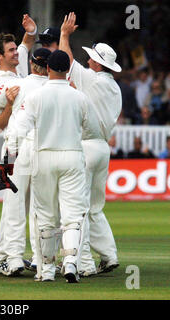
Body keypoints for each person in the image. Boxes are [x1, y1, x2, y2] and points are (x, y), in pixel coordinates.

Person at [10, 50, 91, 283]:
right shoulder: (79, 97)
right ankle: (70, 263)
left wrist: (7, 159)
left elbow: (18, 130)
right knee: (73, 215)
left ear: (47, 69)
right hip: (72, 156)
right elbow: (89, 127)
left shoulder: (36, 96)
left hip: (43, 156)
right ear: (67, 70)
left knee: (45, 215)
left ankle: (46, 270)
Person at [60, 12, 121, 276]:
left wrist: (64, 36)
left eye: (91, 59)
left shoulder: (92, 79)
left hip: (85, 147)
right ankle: (109, 255)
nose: (88, 61)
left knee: (80, 208)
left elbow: (66, 62)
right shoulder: (114, 87)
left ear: (97, 64)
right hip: (103, 148)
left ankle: (83, 264)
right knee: (95, 208)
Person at [0, 14, 37, 276]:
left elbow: (26, 47)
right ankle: (8, 255)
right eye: (10, 50)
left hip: (29, 145)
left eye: (15, 49)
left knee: (23, 204)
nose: (16, 53)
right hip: (14, 147)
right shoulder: (2, 83)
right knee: (16, 204)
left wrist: (30, 31)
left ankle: (2, 252)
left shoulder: (21, 72)